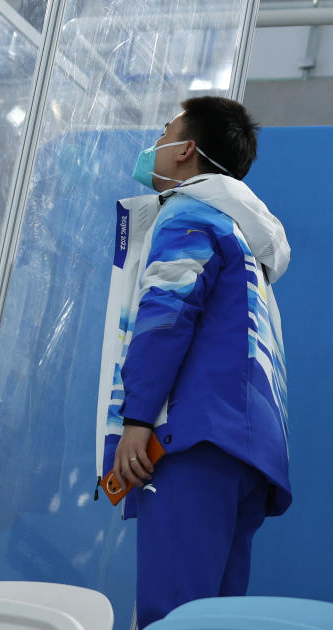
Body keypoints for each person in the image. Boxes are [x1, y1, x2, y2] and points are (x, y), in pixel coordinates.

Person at [97, 97, 292, 627]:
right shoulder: (245, 239)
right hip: (247, 451)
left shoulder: (189, 211)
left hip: (193, 441)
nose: (154, 145)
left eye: (164, 133)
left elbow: (166, 315)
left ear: (185, 150)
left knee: (174, 616)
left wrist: (137, 420)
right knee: (213, 620)